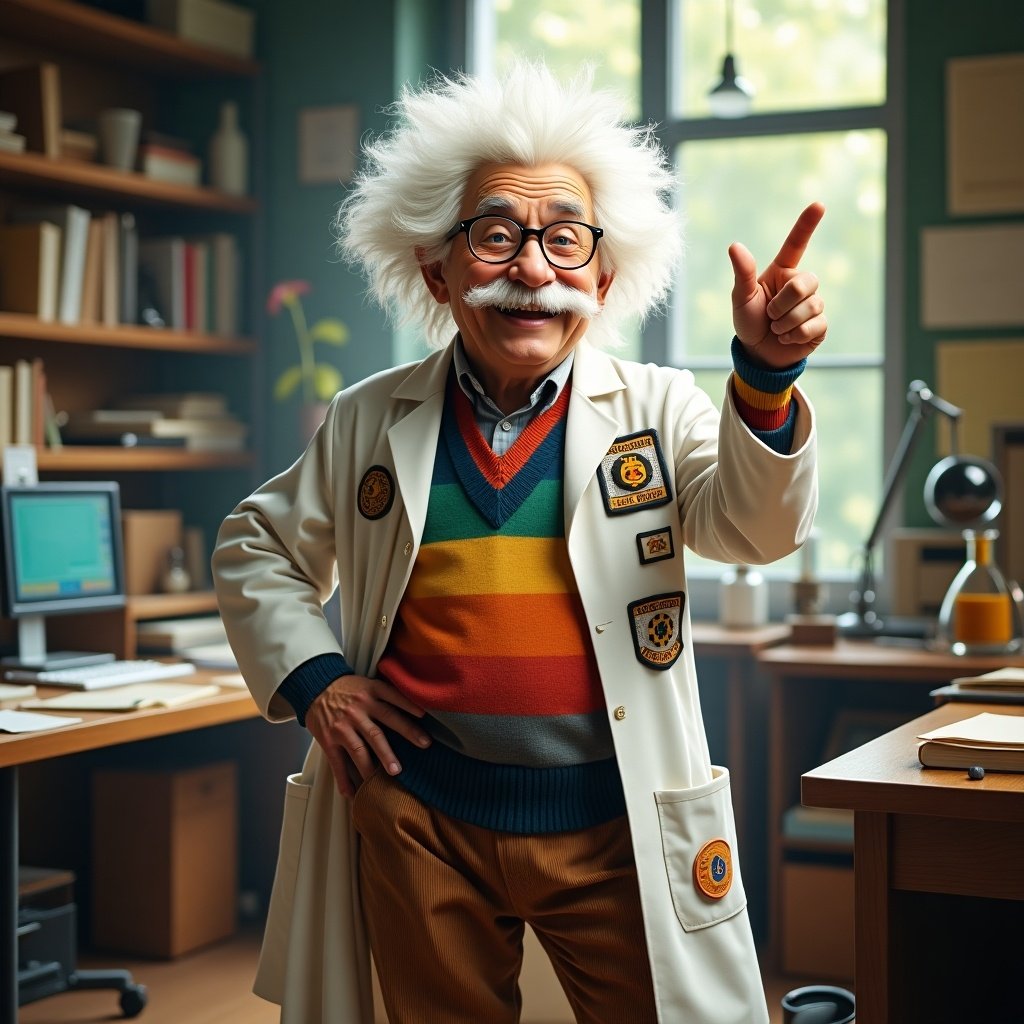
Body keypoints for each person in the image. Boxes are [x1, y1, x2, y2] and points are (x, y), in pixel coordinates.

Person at [212, 61, 826, 1024]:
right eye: (495, 235)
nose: (532, 268)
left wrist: (766, 378)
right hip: (421, 816)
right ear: (436, 267)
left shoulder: (659, 407)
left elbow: (752, 527)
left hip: (614, 822)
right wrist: (318, 682)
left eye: (564, 239)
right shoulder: (370, 419)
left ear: (603, 274)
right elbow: (256, 544)